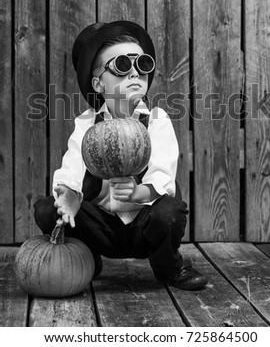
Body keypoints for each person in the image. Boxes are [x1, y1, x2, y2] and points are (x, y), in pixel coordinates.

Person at [34, 20, 208, 290]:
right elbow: (73, 164)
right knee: (47, 208)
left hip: (144, 226)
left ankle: (168, 267)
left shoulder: (157, 120)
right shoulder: (87, 123)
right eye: (122, 66)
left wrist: (140, 193)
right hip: (102, 227)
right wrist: (69, 194)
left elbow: (163, 174)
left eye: (142, 64)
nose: (135, 73)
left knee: (168, 211)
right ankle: (87, 259)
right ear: (98, 84)